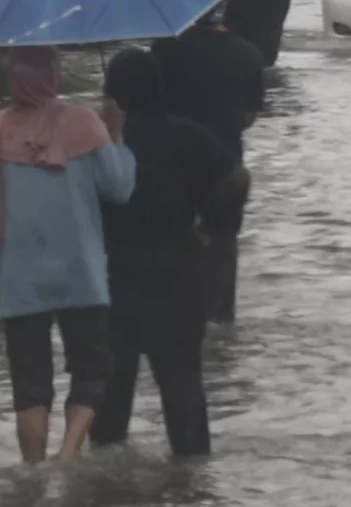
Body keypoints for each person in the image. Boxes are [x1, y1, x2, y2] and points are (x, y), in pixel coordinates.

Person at [0, 47, 135, 463]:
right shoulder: (85, 123)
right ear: (54, 75)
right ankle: (67, 456)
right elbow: (119, 189)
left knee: (30, 386)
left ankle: (32, 470)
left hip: (18, 277)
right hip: (80, 273)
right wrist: (116, 136)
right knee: (90, 371)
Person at [90, 49, 247, 457]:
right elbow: (236, 177)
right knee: (182, 382)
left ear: (112, 92)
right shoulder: (186, 135)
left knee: (111, 391)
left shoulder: (98, 145)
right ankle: (193, 482)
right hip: (177, 276)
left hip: (113, 281)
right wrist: (214, 229)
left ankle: (105, 486)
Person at [155, 0, 265, 324]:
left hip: (173, 167)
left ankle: (178, 322)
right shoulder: (247, 53)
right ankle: (219, 327)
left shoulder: (165, 50)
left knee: (173, 245)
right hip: (226, 170)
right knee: (222, 246)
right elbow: (249, 116)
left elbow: (151, 108)